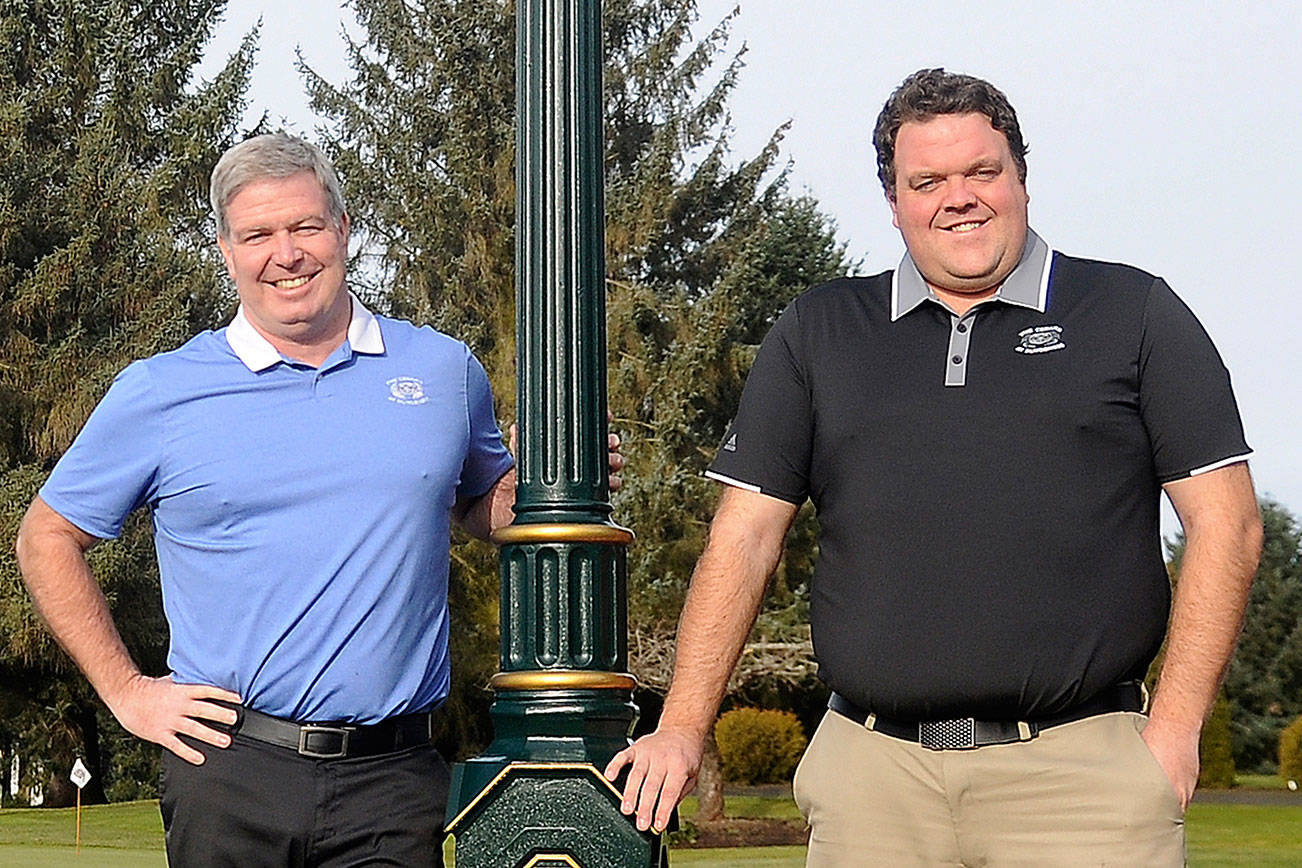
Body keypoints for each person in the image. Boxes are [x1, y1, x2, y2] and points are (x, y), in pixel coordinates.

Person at [605, 68, 1263, 866]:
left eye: (982, 172)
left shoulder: (1134, 313)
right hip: (872, 784)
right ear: (895, 202)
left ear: (1020, 176)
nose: (960, 197)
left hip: (1083, 781)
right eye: (930, 181)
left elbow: (1226, 522)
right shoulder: (820, 330)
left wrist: (1178, 730)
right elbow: (744, 540)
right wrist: (679, 727)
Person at [15, 132, 620, 866]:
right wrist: (127, 691)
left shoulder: (440, 369)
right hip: (230, 771)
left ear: (341, 229)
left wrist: (557, 482)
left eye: (304, 226)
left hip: (394, 780)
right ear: (226, 250)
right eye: (258, 235)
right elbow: (46, 538)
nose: (287, 253)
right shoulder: (161, 391)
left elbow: (475, 506)